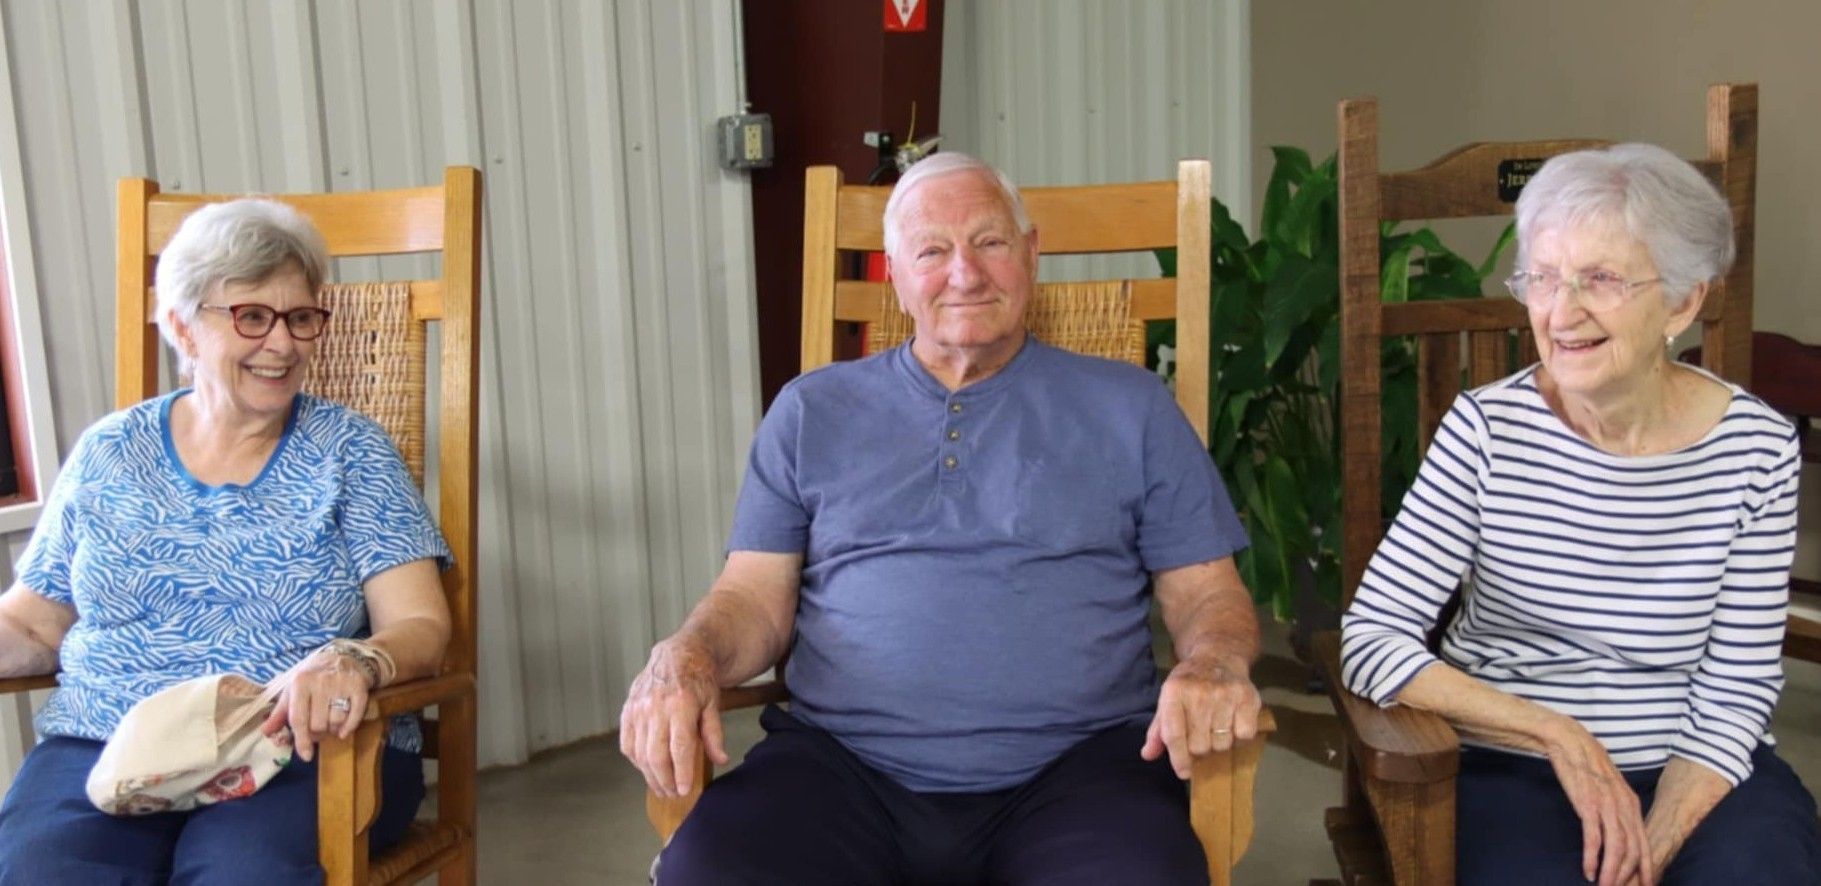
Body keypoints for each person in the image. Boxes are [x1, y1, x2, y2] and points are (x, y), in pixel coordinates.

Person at [621, 152, 1263, 886]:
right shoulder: (810, 411)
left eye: (990, 242)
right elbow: (752, 598)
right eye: (931, 251)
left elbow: (1207, 591)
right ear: (895, 274)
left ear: (1031, 253)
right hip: (840, 770)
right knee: (712, 872)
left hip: (1080, 772)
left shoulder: (1133, 407)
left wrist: (1214, 662)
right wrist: (688, 656)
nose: (965, 274)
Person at [1341, 143, 1820, 886]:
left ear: (1683, 302)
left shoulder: (1755, 447)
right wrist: (1556, 733)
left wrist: (1651, 847)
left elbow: (1736, 692)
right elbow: (1372, 639)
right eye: (1542, 277)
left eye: (1600, 279)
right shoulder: (1485, 430)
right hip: (1512, 764)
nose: (1561, 313)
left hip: (1699, 767)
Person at [0, 198, 453, 884]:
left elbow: (421, 625)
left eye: (300, 318)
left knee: (241, 873)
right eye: (252, 316)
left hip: (294, 744)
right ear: (183, 325)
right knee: (43, 871)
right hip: (110, 741)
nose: (283, 344)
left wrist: (353, 661)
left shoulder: (351, 452)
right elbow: (33, 623)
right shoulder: (110, 450)